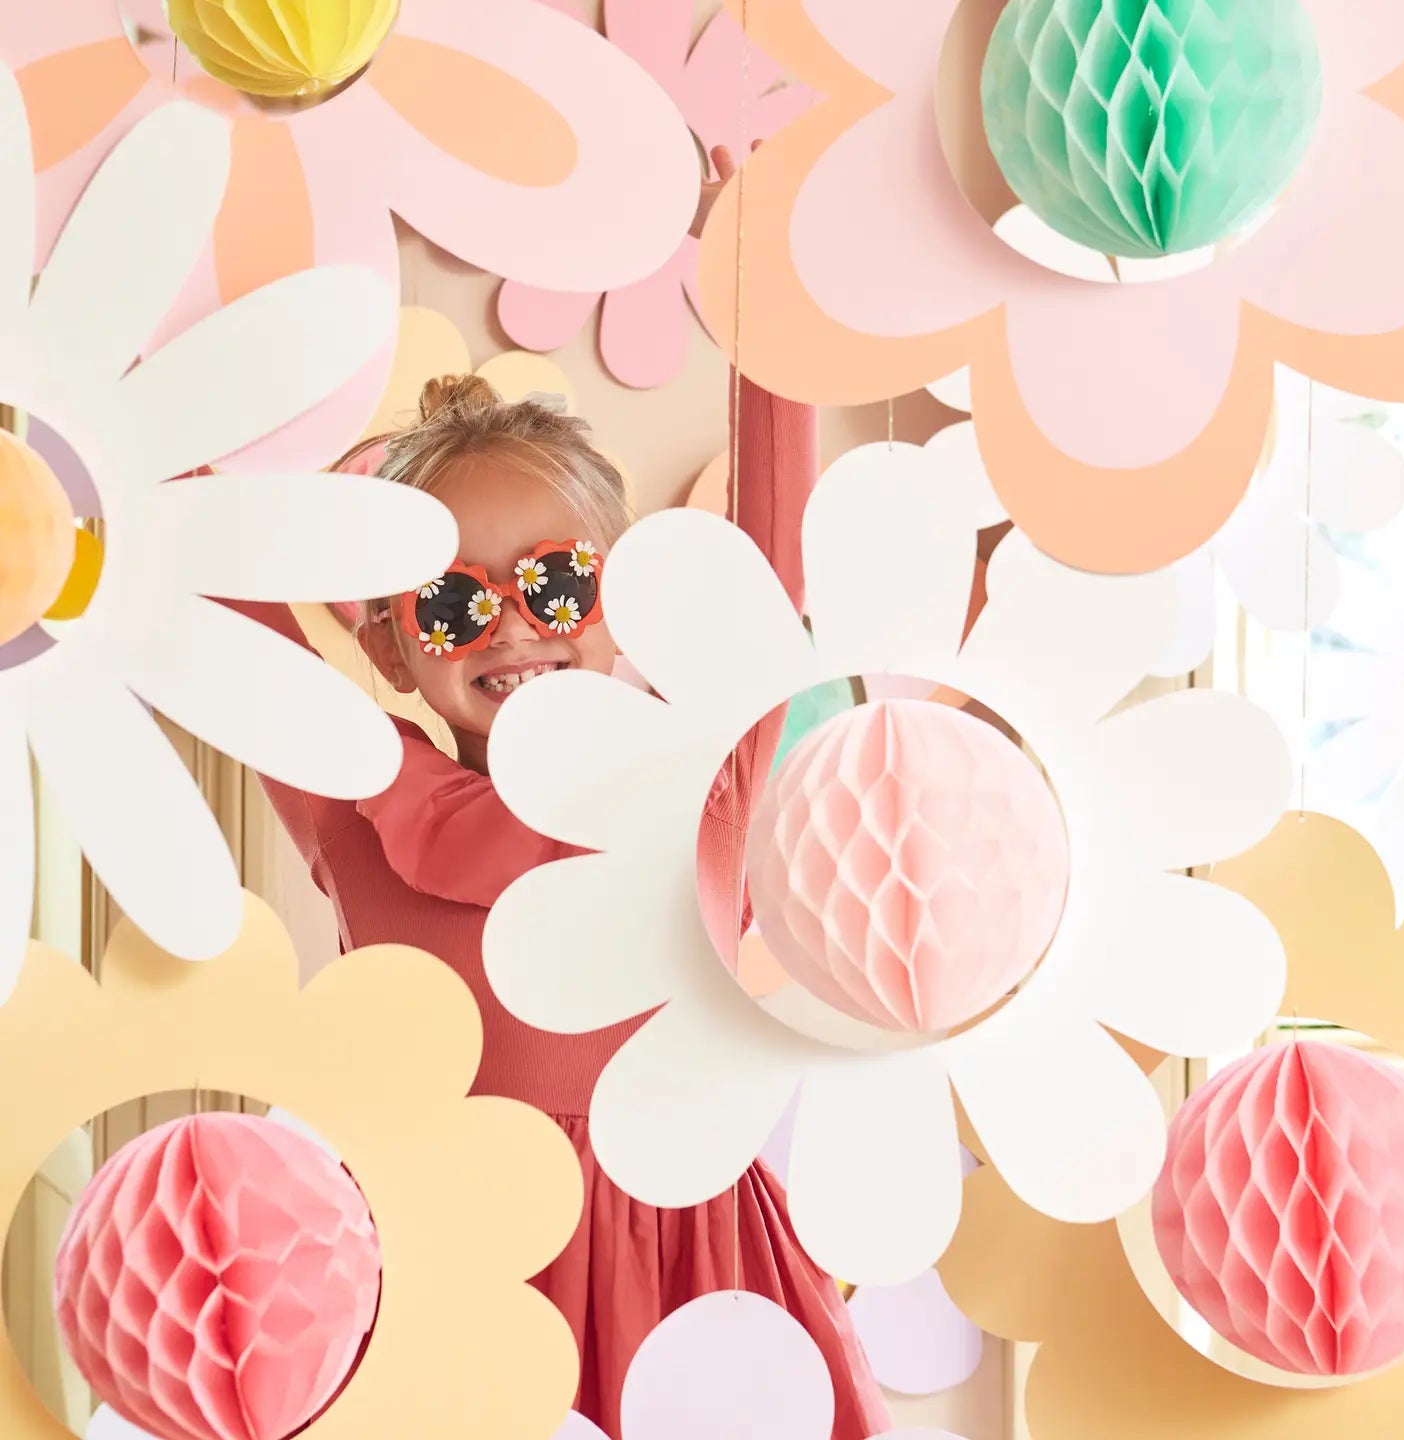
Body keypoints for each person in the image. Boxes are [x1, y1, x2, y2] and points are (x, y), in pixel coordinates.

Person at [232, 148, 890, 1437]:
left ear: (616, 599)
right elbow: (230, 633)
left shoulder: (707, 774)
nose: (512, 629)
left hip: (696, 1267)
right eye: (451, 603)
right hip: (450, 1273)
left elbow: (776, 551)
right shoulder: (359, 795)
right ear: (391, 649)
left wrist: (753, 268)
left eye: (553, 583)